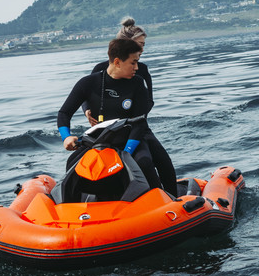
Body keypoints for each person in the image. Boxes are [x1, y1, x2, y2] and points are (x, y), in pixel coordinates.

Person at [82, 17, 178, 196]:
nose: (142, 49)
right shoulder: (100, 69)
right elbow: (86, 95)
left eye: (144, 45)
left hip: (138, 127)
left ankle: (172, 199)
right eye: (140, 44)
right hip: (108, 131)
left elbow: (149, 101)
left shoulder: (142, 70)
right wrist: (87, 110)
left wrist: (136, 114)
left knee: (163, 162)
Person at [57, 38, 163, 191]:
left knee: (145, 162)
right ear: (118, 62)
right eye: (133, 63)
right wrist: (66, 136)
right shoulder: (88, 83)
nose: (136, 67)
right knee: (73, 163)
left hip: (130, 139)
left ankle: (165, 200)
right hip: (100, 141)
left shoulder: (138, 83)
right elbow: (64, 113)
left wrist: (127, 152)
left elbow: (139, 123)